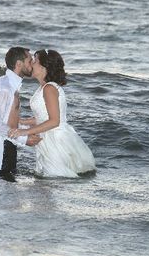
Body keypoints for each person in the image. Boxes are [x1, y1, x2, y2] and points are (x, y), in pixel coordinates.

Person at [8, 49, 95, 178]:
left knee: (54, 180)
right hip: (48, 137)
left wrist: (25, 132)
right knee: (46, 186)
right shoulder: (44, 87)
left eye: (35, 61)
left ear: (44, 67)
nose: (31, 63)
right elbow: (44, 116)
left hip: (55, 140)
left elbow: (54, 121)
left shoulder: (49, 88)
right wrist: (23, 121)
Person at [0, 47, 41, 181]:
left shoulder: (7, 84)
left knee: (8, 197)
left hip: (5, 147)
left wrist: (26, 131)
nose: (32, 64)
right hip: (1, 152)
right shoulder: (4, 89)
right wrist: (24, 139)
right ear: (19, 64)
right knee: (5, 196)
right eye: (30, 61)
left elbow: (7, 119)